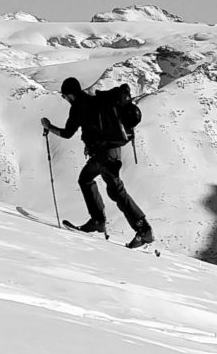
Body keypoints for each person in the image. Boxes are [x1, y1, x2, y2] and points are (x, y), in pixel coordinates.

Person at [41, 77, 155, 249]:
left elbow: (67, 134)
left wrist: (49, 126)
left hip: (103, 155)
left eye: (65, 97)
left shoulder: (78, 107)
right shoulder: (93, 101)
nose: (65, 100)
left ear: (70, 95)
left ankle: (142, 230)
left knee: (114, 190)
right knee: (89, 180)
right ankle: (100, 221)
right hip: (111, 151)